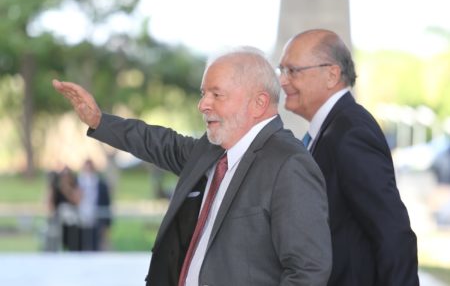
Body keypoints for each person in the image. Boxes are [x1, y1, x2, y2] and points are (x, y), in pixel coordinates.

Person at [52, 46, 332, 285]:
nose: (202, 105)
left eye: (216, 95)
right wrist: (100, 121)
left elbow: (308, 271)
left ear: (258, 103)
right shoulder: (211, 150)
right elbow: (159, 142)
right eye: (203, 93)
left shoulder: (288, 164)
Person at [278, 29, 419, 286]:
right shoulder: (332, 129)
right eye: (282, 71)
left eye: (293, 71)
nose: (283, 81)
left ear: (332, 74)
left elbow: (393, 232)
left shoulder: (351, 133)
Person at [77, 158, 112, 251]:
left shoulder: (101, 184)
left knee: (95, 247)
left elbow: (106, 203)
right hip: (80, 220)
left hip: (96, 220)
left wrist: (106, 224)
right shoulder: (78, 182)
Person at [47, 166, 82, 251]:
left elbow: (77, 201)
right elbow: (49, 205)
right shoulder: (56, 188)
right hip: (59, 221)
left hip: (72, 223)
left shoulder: (74, 187)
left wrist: (66, 189)